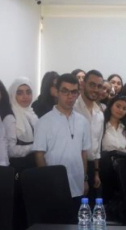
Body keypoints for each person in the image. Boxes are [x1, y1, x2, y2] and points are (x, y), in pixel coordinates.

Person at [33, 74, 92, 213]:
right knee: (57, 223)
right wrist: (46, 181)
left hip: (77, 184)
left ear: (78, 93)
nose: (69, 96)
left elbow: (83, 153)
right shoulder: (44, 122)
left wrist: (84, 179)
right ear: (57, 92)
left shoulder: (83, 121)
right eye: (65, 91)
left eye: (74, 92)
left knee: (76, 222)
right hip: (54, 185)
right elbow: (39, 155)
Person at [74, 70, 105, 198]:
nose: (96, 89)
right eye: (92, 85)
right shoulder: (73, 109)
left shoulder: (100, 113)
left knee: (92, 205)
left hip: (92, 168)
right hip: (75, 167)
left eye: (99, 86)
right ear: (83, 84)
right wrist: (83, 177)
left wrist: (96, 172)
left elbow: (97, 146)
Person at [4, 77, 40, 171]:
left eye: (28, 92)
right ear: (13, 94)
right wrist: (35, 147)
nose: (25, 96)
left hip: (34, 166)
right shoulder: (10, 118)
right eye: (19, 93)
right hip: (18, 168)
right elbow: (10, 150)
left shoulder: (33, 115)